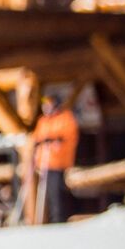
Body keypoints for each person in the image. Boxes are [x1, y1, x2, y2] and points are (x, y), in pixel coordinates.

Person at [31, 92, 79, 224]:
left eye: (49, 103)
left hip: (58, 164)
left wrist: (53, 140)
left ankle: (59, 220)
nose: (45, 107)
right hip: (45, 165)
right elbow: (36, 138)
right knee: (47, 194)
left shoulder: (65, 118)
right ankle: (51, 219)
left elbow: (67, 137)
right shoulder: (43, 121)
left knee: (58, 193)